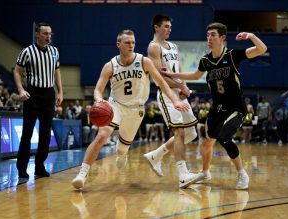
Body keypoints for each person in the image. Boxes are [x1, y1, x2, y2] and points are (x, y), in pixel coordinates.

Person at [71, 29, 189, 189]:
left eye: (133, 42)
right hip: (115, 105)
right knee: (102, 136)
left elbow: (161, 82)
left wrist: (174, 100)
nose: (131, 45)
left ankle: (122, 153)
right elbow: (98, 89)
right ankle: (82, 174)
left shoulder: (144, 61)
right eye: (127, 42)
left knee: (123, 147)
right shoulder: (110, 65)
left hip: (136, 110)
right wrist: (99, 100)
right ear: (118, 44)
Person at [162, 22, 267, 189]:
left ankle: (242, 174)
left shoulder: (233, 56)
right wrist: (171, 74)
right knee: (207, 142)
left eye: (213, 35)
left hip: (236, 108)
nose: (209, 38)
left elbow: (261, 49)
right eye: (208, 35)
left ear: (222, 38)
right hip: (217, 108)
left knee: (224, 137)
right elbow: (195, 75)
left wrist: (251, 36)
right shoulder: (206, 60)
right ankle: (205, 172)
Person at [143, 14, 203, 189]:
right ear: (156, 27)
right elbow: (159, 77)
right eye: (166, 26)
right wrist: (179, 87)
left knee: (191, 134)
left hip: (179, 91)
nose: (169, 29)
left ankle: (156, 155)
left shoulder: (174, 46)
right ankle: (183, 175)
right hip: (167, 94)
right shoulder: (153, 47)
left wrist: (185, 87)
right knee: (180, 133)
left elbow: (179, 70)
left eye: (170, 26)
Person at [14, 22, 63, 178]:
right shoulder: (27, 52)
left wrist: (60, 92)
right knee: (27, 132)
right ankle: (22, 167)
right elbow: (17, 71)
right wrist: (21, 89)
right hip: (33, 94)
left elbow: (57, 72)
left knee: (45, 134)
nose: (48, 36)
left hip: (49, 94)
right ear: (37, 34)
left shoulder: (55, 52)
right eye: (45, 33)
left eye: (50, 34)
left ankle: (39, 166)